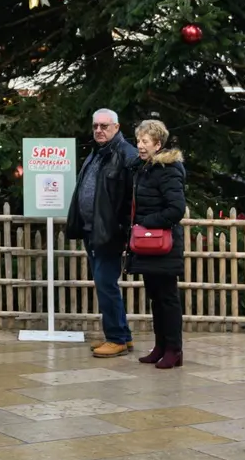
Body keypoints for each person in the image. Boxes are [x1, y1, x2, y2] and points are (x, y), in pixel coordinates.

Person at [65, 108, 138, 358]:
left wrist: (122, 227)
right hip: (92, 230)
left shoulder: (126, 155)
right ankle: (123, 336)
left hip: (110, 233)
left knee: (106, 284)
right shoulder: (96, 154)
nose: (99, 130)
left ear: (116, 127)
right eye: (96, 126)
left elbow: (132, 197)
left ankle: (116, 338)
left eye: (104, 126)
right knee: (105, 284)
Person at [125, 120, 186, 369]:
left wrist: (146, 223)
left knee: (168, 298)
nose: (140, 146)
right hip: (147, 245)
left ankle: (174, 349)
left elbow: (176, 209)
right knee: (155, 297)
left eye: (145, 141)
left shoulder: (168, 170)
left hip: (164, 244)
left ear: (158, 144)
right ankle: (160, 346)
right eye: (138, 141)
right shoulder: (143, 169)